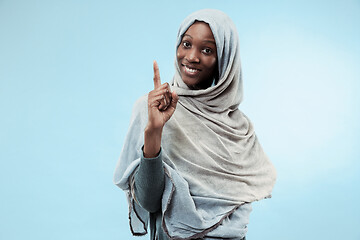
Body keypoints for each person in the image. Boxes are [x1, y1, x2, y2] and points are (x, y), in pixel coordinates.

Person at [113, 9, 276, 240]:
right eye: (186, 44)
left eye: (207, 49)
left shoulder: (239, 128)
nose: (191, 57)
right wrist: (154, 132)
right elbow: (149, 202)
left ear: (225, 59)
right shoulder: (151, 109)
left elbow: (238, 217)